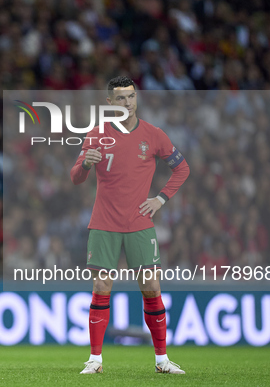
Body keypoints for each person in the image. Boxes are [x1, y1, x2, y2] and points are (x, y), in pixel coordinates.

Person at [71, 76, 190, 375]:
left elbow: (182, 168)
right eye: (121, 98)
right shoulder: (97, 134)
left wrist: (160, 200)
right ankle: (95, 360)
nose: (127, 102)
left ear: (136, 98)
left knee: (151, 287)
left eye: (131, 96)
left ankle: (162, 360)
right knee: (101, 286)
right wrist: (86, 163)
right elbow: (75, 177)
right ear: (110, 103)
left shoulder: (154, 134)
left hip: (139, 223)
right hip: (104, 223)